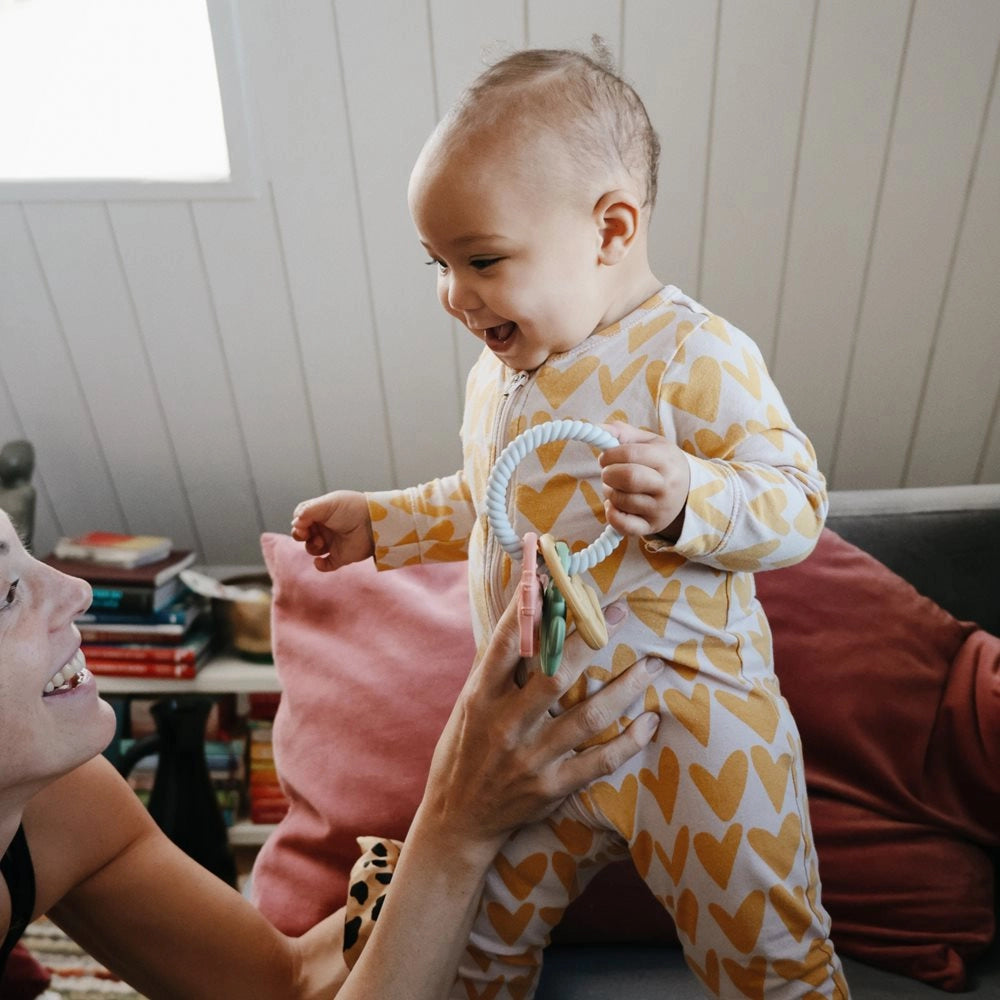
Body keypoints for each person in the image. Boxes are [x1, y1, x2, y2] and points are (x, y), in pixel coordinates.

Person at [293, 40, 850, 999]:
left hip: (694, 730)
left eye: (483, 261)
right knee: (472, 950)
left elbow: (797, 501)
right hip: (537, 738)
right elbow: (487, 500)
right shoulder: (499, 376)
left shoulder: (692, 354)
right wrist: (381, 523)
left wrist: (688, 498)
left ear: (611, 229)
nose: (455, 296)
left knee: (769, 962)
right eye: (438, 264)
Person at [0, 508, 661, 998]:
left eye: (25, 555)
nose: (75, 591)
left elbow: (279, 982)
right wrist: (457, 821)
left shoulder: (60, 807)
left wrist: (504, 831)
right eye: (6, 594)